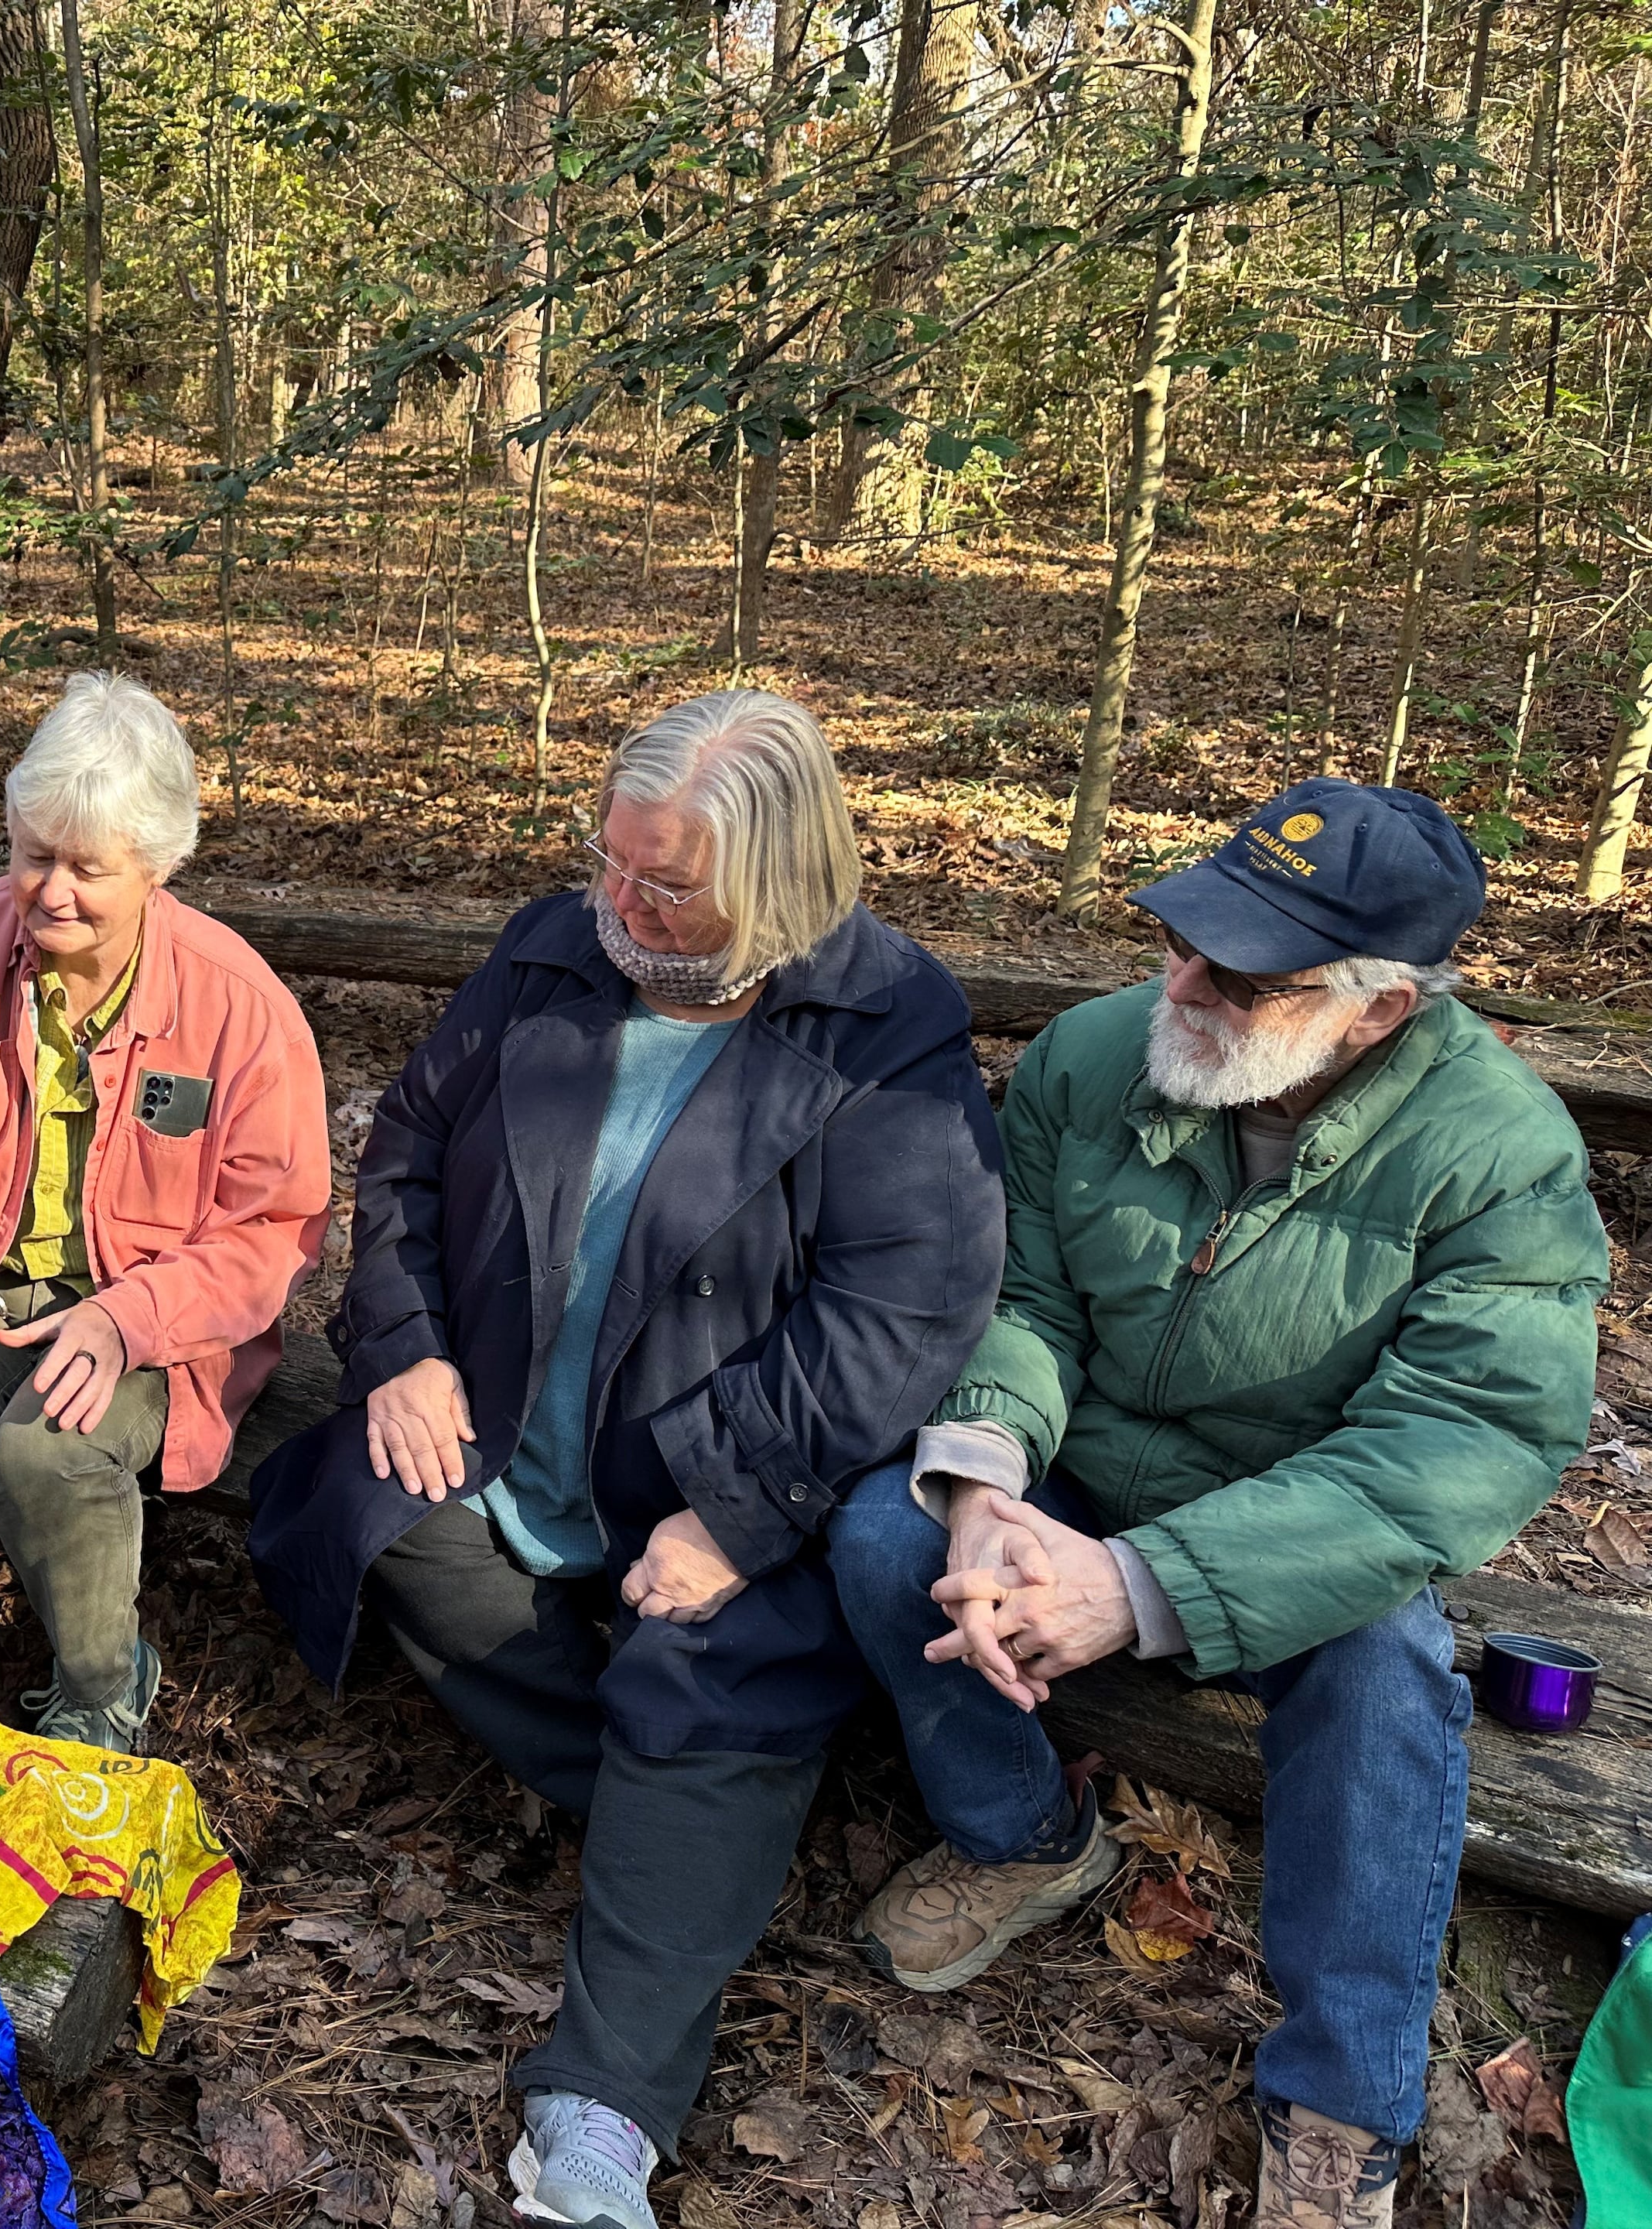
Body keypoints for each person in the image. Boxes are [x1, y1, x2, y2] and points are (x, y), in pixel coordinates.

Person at [249, 690, 1006, 2229]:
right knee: (379, 1522)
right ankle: (690, 1837)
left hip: (715, 1477)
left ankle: (601, 2114)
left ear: (778, 885)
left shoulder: (882, 1026)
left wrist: (735, 1510)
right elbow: (402, 1151)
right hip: (508, 1425)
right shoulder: (555, 948)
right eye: (610, 862)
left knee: (703, 1668)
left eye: (665, 888)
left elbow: (905, 1303)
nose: (621, 906)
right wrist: (407, 1350)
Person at [828, 780, 1608, 2229]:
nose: (1180, 985)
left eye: (1244, 975)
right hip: (1083, 1465)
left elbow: (1457, 1442)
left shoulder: (1505, 1156)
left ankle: (1342, 2100)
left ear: (1376, 1009)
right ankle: (1026, 1844)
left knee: (1389, 1682)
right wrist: (991, 1476)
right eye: (1184, 938)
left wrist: (1140, 1585)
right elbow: (1026, 1294)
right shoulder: (1094, 1055)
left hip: (1290, 1512)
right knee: (890, 1532)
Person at [0, 671, 329, 1752]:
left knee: (48, 1456)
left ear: (160, 864)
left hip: (149, 1308)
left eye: (90, 869)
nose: (52, 892)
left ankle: (98, 1687)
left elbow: (271, 1230)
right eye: (33, 853)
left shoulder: (241, 1007)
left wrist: (126, 1320)